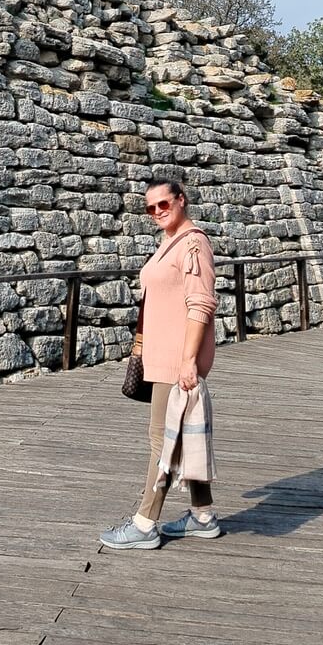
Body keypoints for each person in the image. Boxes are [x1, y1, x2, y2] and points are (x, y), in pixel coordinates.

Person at [100, 178, 222, 550]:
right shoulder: (170, 242)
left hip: (175, 359)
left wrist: (188, 361)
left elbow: (200, 304)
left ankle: (144, 523)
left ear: (181, 200)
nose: (156, 212)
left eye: (163, 204)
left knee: (161, 440)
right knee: (179, 435)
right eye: (150, 208)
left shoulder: (193, 244)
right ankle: (203, 516)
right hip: (164, 355)